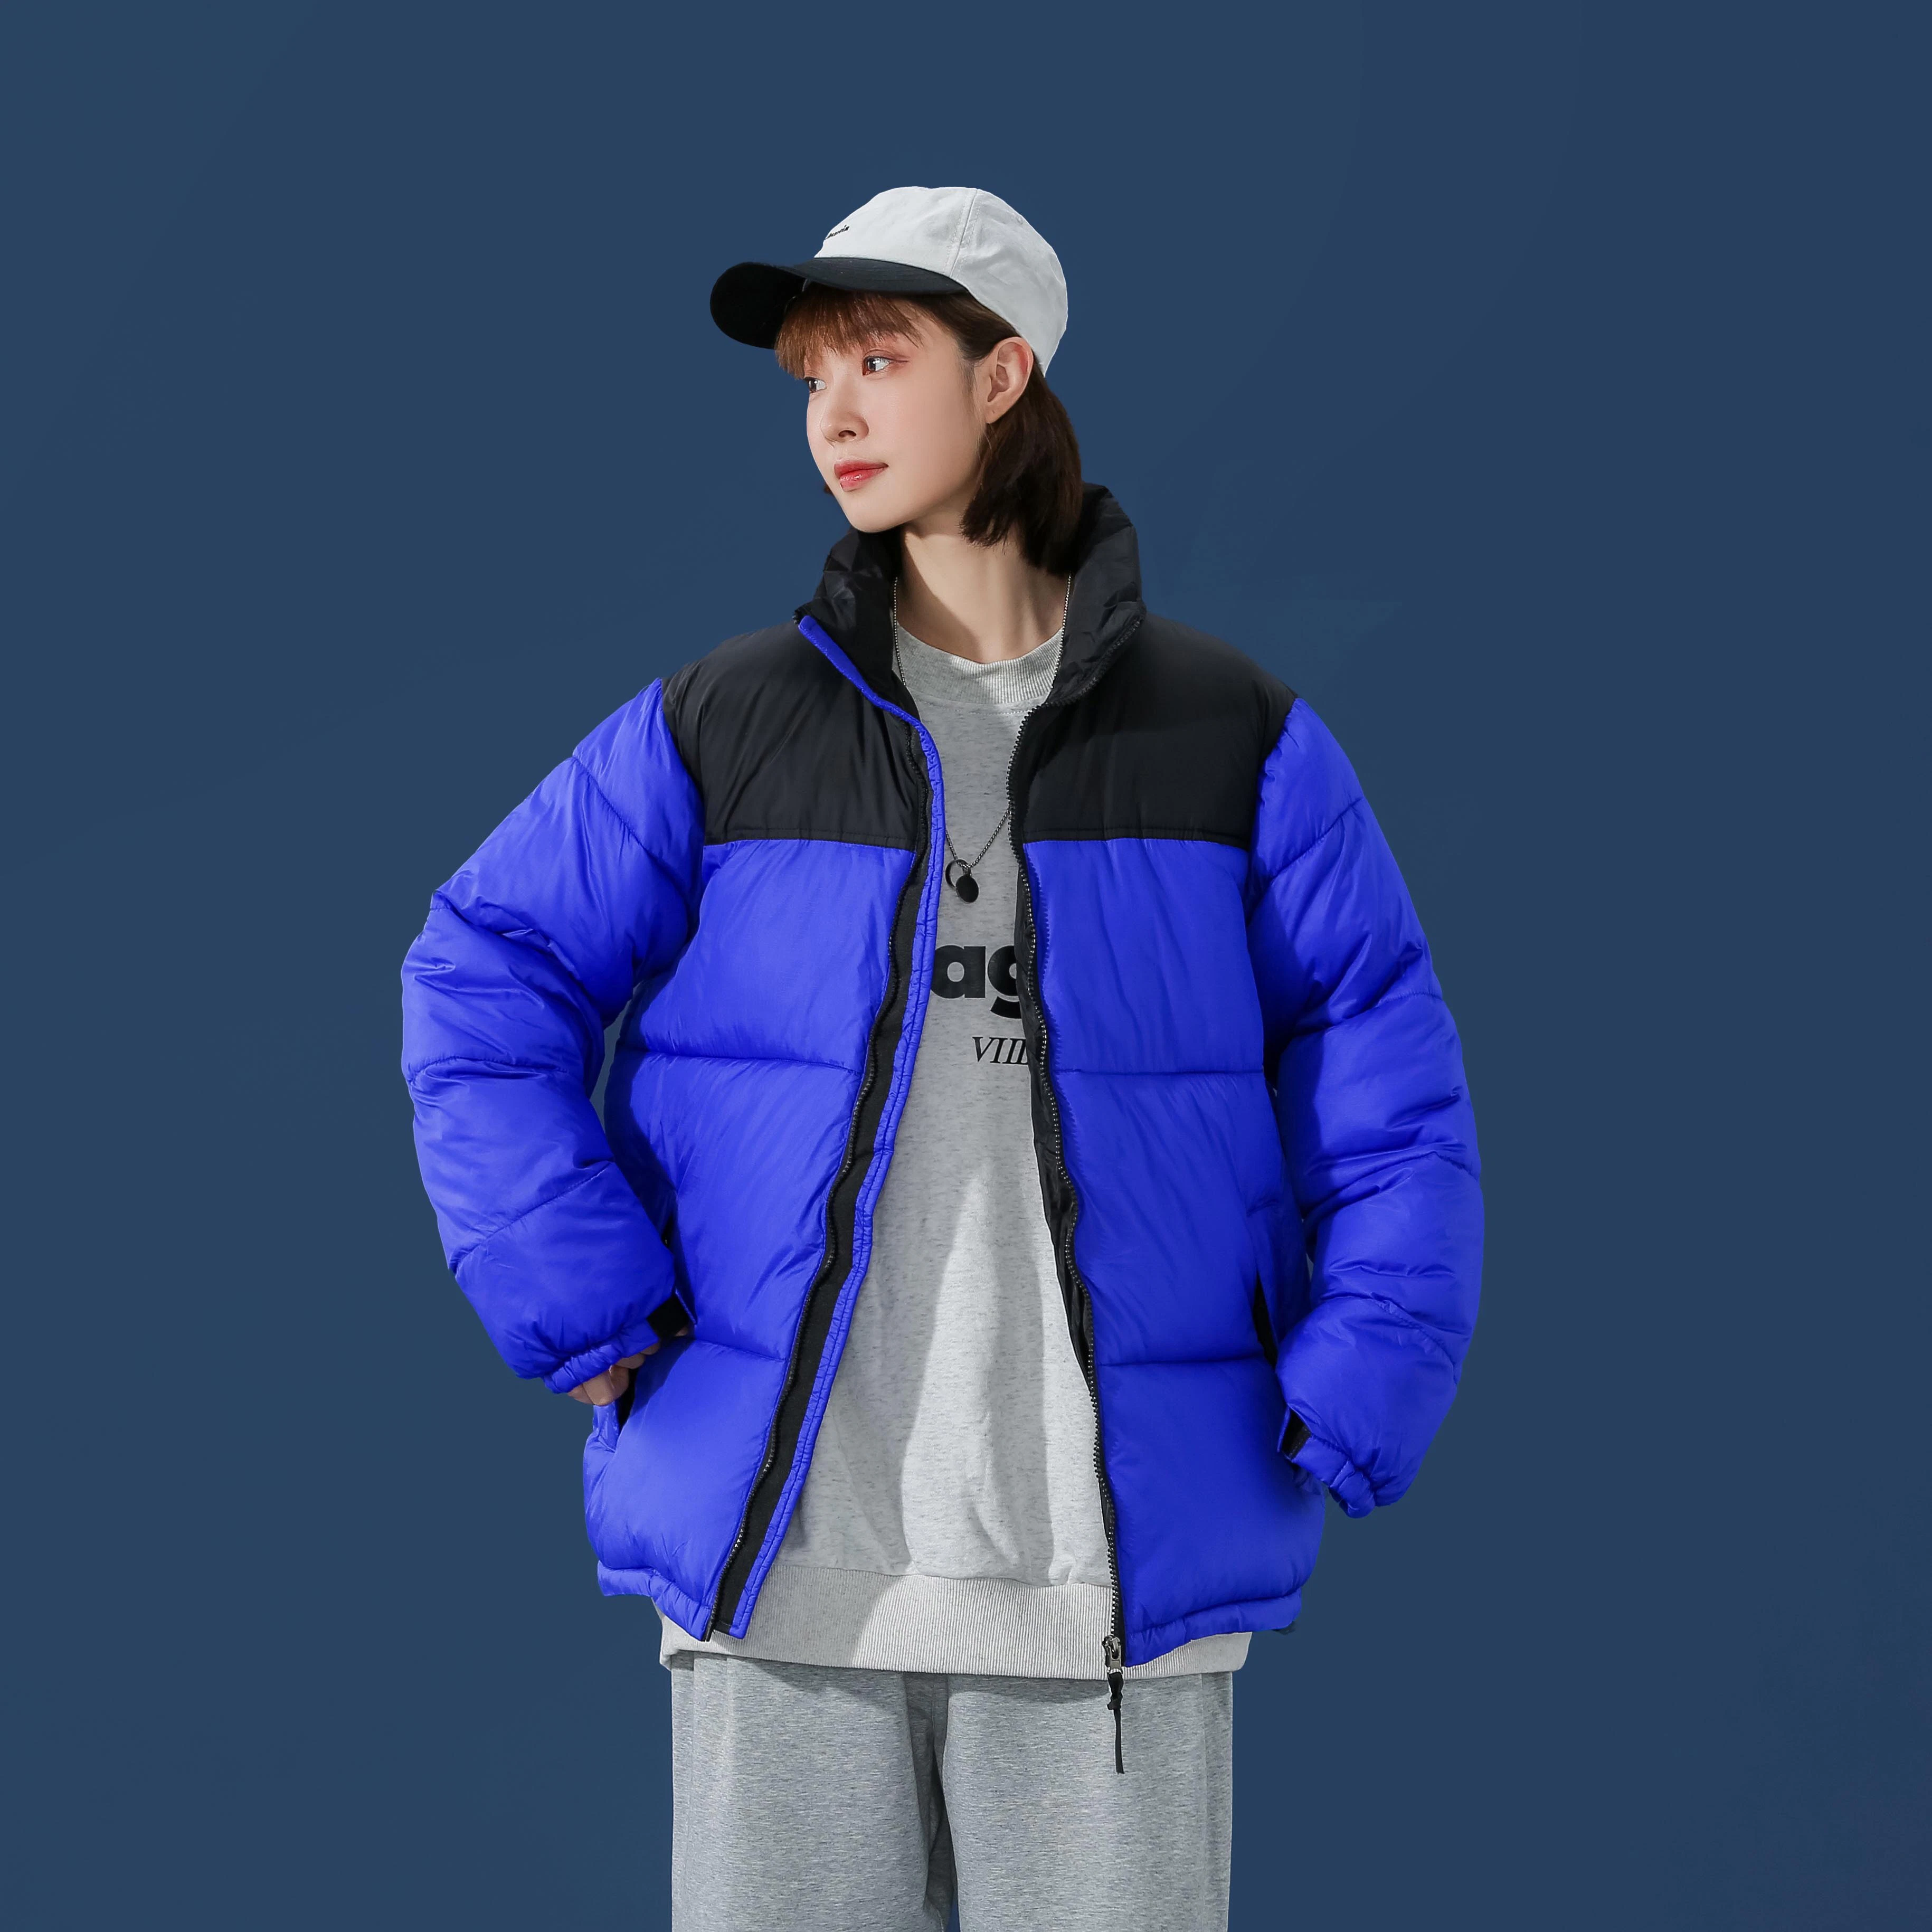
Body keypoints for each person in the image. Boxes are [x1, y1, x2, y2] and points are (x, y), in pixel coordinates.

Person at [400, 184, 1482, 1931]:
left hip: (1108, 1582)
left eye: (878, 361)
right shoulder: (729, 725)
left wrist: (1362, 1384)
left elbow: (1386, 1076)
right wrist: (573, 1295)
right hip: (786, 1577)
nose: (831, 412)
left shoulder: (1234, 739)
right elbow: (479, 967)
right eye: (811, 376)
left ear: (1002, 376)